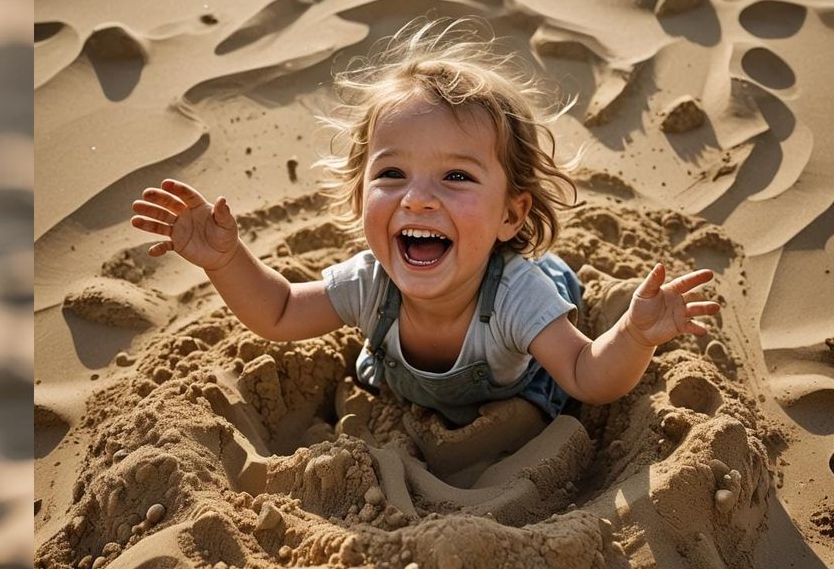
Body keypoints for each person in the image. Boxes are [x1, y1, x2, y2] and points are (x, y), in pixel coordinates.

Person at [129, 21, 720, 434]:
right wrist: (226, 261)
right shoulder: (371, 282)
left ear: (511, 213)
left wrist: (637, 337)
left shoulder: (518, 296)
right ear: (361, 191)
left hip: (518, 372)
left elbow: (588, 374)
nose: (417, 200)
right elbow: (278, 312)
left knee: (522, 420)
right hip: (409, 380)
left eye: (456, 178)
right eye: (391, 173)